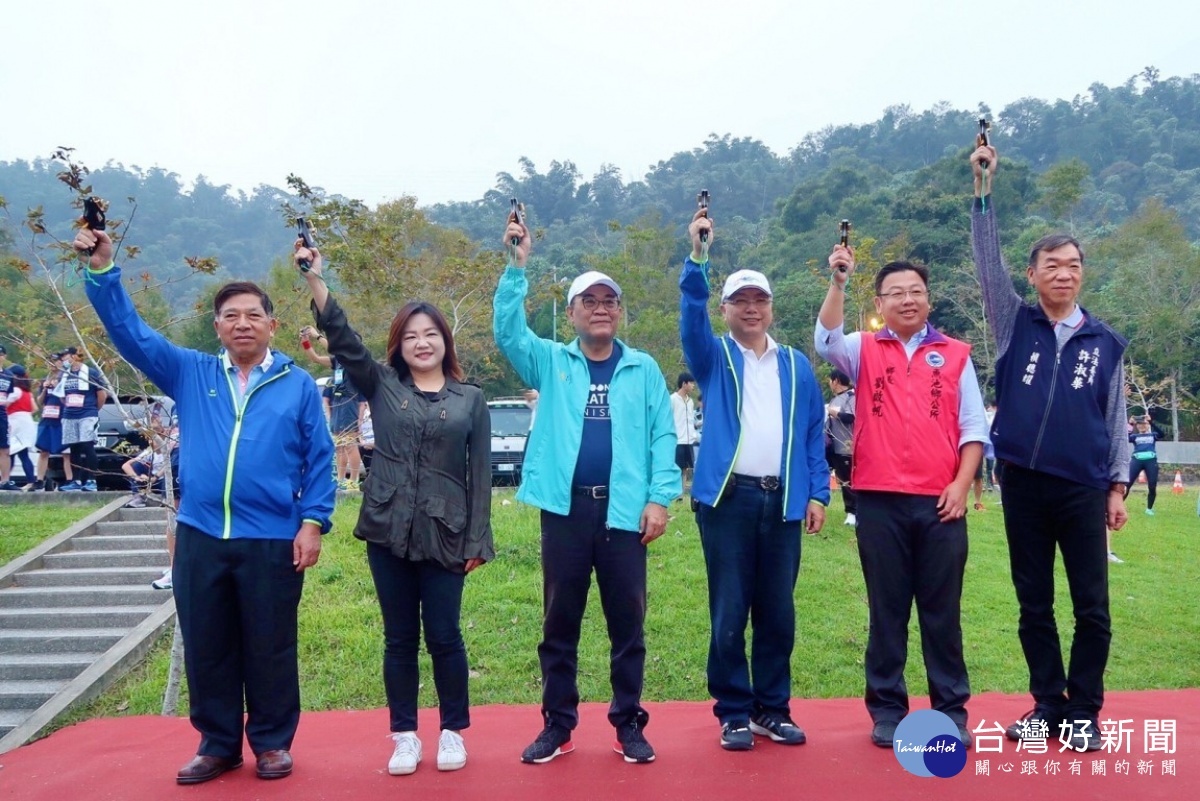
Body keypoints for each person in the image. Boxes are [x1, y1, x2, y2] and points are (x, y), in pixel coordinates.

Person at [73, 225, 336, 784]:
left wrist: (313, 523)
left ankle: (270, 743)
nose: (242, 323)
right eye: (231, 315)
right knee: (208, 645)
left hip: (271, 538)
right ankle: (218, 744)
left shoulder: (297, 385)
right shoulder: (190, 372)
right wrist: (101, 271)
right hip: (199, 534)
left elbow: (319, 462)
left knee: (269, 645)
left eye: (252, 315)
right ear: (217, 326)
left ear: (272, 324)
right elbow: (130, 334)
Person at [297, 239, 494, 776]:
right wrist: (316, 277)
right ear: (399, 345)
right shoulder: (381, 385)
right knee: (399, 637)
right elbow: (343, 338)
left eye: (430, 334)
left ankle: (453, 730)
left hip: (447, 533)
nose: (422, 343)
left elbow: (480, 476)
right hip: (387, 530)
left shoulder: (470, 399)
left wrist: (479, 540)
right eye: (411, 336)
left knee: (446, 635)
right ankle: (404, 734)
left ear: (444, 341)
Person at [495, 212, 680, 766]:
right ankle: (558, 724)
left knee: (629, 623)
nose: (601, 308)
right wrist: (515, 266)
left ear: (620, 312)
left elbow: (662, 436)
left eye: (610, 301)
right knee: (560, 623)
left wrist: (659, 498)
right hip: (566, 512)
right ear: (573, 313)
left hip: (625, 514)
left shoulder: (643, 368)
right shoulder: (552, 361)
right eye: (589, 301)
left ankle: (628, 724)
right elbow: (508, 332)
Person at [971, 143, 1130, 752]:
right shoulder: (1015, 323)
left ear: (1082, 273)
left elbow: (1113, 419)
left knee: (1091, 605)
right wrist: (984, 195)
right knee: (1033, 602)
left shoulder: (1106, 342)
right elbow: (987, 266)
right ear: (1034, 274)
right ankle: (1045, 704)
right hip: (1025, 485)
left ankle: (1084, 711)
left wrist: (1117, 486)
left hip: (1084, 488)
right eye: (1051, 265)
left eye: (1073, 264)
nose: (1063, 273)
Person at [816, 245, 987, 748]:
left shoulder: (955, 354)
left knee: (941, 610)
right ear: (881, 302)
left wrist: (960, 485)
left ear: (928, 300)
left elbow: (973, 427)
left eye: (916, 292)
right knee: (887, 610)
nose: (907, 300)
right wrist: (839, 282)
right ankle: (888, 709)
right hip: (879, 500)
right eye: (896, 293)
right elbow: (825, 338)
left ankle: (951, 709)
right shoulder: (863, 348)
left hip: (941, 502)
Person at [682, 211, 828, 752]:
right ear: (726, 310)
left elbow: (814, 433)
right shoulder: (714, 356)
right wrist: (697, 259)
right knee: (728, 612)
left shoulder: (795, 365)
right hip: (728, 501)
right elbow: (690, 319)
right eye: (739, 301)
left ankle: (772, 708)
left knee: (777, 613)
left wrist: (817, 491)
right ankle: (735, 712)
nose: (750, 308)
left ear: (771, 307)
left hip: (783, 501)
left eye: (758, 300)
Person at [300, 326, 366, 489]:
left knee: (350, 443)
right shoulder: (337, 362)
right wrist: (305, 341)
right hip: (337, 403)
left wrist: (318, 336)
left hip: (349, 404)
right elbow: (315, 358)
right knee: (339, 446)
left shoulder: (356, 360)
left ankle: (354, 481)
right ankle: (341, 479)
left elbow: (337, 350)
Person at [56, 346, 108, 492]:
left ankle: (91, 480)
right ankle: (75, 480)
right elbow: (61, 394)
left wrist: (93, 410)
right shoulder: (63, 375)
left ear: (74, 356)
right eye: (61, 358)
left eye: (65, 357)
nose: (63, 360)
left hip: (87, 413)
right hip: (69, 415)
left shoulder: (90, 372)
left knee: (87, 445)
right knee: (74, 448)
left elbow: (102, 395)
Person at [27, 357, 73, 491]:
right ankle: (39, 479)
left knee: (66, 452)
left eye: (55, 361)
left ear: (61, 362)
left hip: (61, 418)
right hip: (47, 418)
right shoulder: (45, 380)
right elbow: (40, 402)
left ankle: (70, 479)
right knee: (43, 450)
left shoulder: (65, 379)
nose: (52, 364)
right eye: (49, 362)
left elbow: (67, 400)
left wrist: (57, 387)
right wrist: (45, 389)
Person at [825, 369, 857, 526]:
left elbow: (851, 417)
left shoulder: (851, 397)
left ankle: (854, 512)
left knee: (850, 480)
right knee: (842, 478)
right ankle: (849, 511)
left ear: (836, 380)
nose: (830, 384)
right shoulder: (835, 399)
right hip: (834, 446)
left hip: (848, 446)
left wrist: (832, 412)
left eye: (830, 380)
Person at [1126, 416, 1163, 515]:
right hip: (1136, 460)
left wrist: (1151, 421)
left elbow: (1162, 434)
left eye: (1144, 424)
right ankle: (1119, 505)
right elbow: (1125, 438)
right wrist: (1130, 424)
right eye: (1140, 424)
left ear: (1147, 426)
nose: (1142, 426)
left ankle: (1149, 509)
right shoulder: (1134, 437)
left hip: (1151, 461)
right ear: (1137, 426)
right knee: (1127, 484)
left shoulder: (1153, 435)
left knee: (1152, 485)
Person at [670, 372, 699, 488]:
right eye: (691, 383)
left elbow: (691, 420)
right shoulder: (672, 399)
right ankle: (676, 492)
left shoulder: (690, 401)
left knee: (687, 468)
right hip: (678, 440)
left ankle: (682, 492)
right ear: (684, 384)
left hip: (689, 440)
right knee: (677, 467)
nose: (693, 386)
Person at [0, 345, 12, 487]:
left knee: (4, 448)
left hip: (2, 415)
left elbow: (9, 395)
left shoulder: (8, 375)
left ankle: (5, 480)